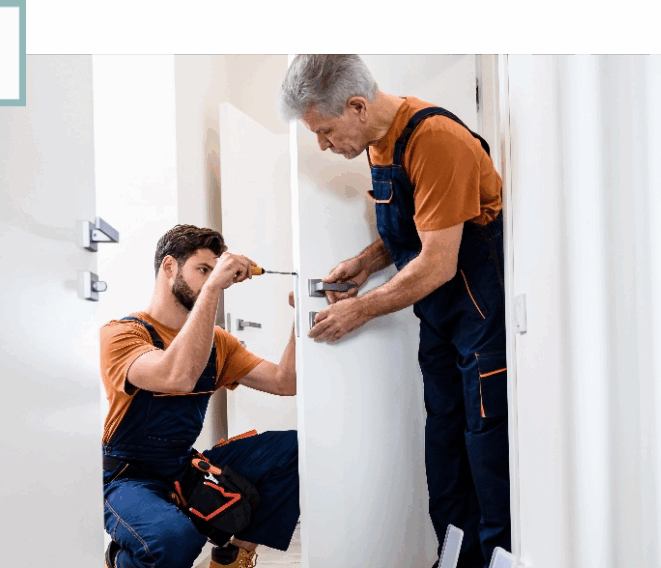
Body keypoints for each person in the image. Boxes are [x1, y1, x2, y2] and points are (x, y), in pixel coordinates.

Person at [279, 55, 510, 568]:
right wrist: (364, 262)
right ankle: (453, 560)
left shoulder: (436, 140)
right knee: (444, 445)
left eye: (324, 131)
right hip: (440, 318)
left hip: (477, 312)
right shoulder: (377, 141)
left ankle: (498, 561)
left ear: (357, 106)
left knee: (487, 448)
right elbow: (420, 225)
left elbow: (438, 262)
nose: (322, 144)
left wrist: (358, 312)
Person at [100, 224, 299, 568]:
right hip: (129, 478)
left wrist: (302, 314)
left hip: (183, 466)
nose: (210, 280)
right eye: (202, 270)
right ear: (169, 267)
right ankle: (122, 560)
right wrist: (213, 289)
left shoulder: (218, 342)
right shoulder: (122, 335)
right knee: (175, 539)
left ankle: (232, 558)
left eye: (213, 271)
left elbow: (285, 381)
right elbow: (175, 376)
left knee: (294, 450)